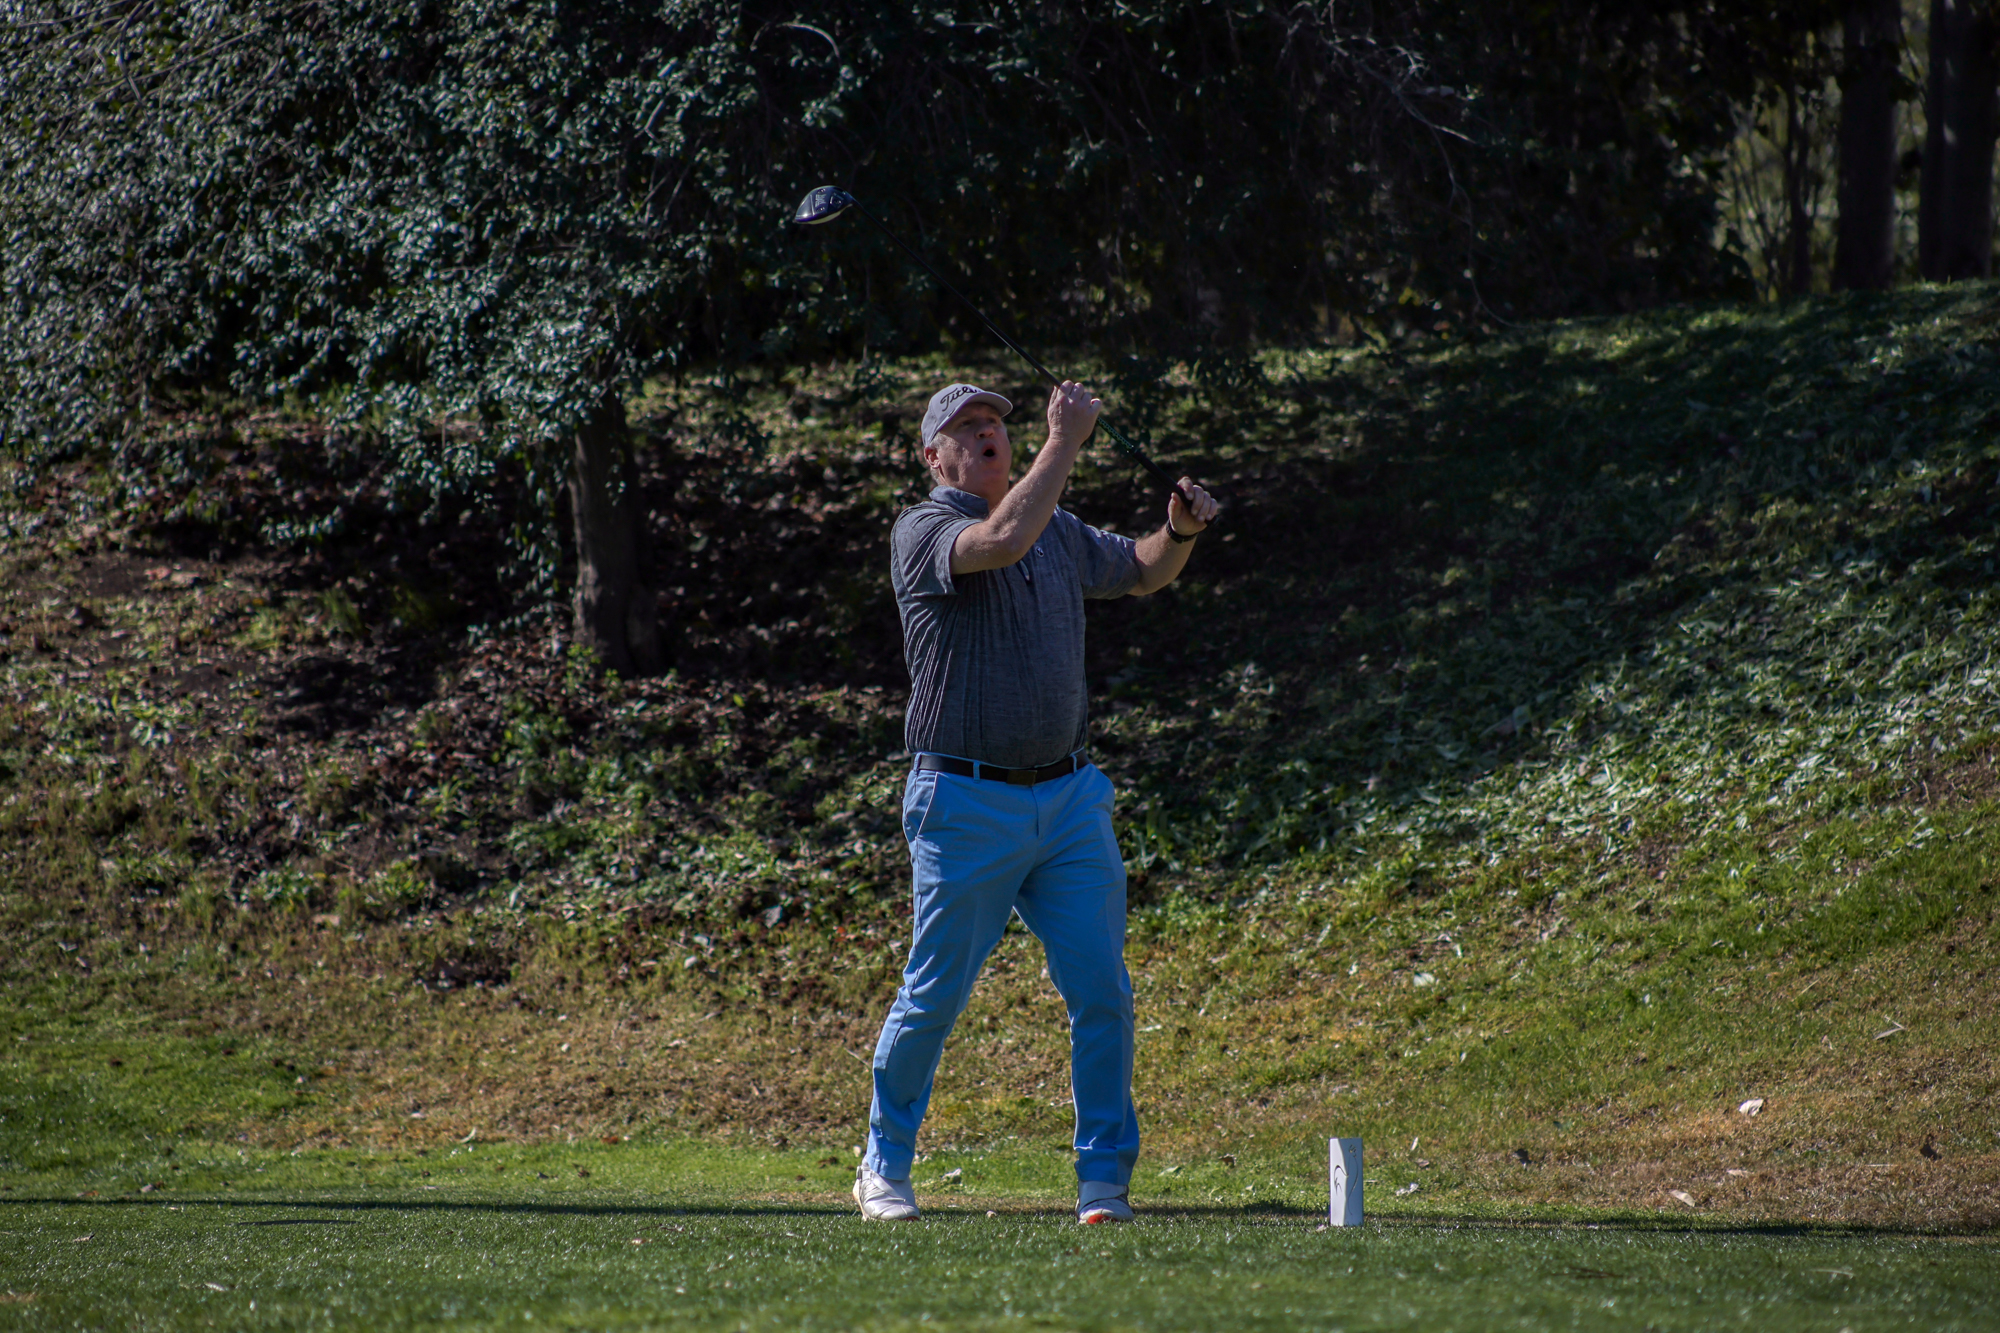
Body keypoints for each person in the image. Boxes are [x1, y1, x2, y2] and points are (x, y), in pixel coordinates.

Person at [853, 378, 1219, 1224]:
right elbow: (1001, 539)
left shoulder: (1055, 525)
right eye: (965, 427)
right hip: (963, 800)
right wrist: (1066, 439)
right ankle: (883, 1164)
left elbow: (1141, 571)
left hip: (1070, 798)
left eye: (995, 422)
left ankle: (1103, 1181)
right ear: (933, 456)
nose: (987, 432)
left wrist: (1179, 530)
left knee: (1102, 991)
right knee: (933, 995)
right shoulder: (923, 529)